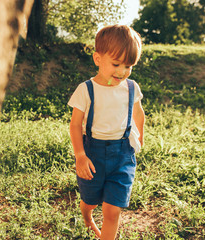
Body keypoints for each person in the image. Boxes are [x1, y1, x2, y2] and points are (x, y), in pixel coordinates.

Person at [68, 24, 145, 239]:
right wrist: (80, 155)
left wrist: (139, 139)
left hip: (122, 154)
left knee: (112, 210)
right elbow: (75, 125)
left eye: (128, 66)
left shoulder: (131, 87)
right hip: (93, 153)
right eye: (116, 64)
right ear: (98, 59)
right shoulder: (86, 89)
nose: (122, 71)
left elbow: (139, 114)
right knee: (90, 200)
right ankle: (87, 214)